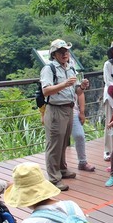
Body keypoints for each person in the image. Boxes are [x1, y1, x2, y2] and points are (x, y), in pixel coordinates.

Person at [40, 39, 90, 191]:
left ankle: (62, 169)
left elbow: (76, 91)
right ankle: (54, 178)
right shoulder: (49, 69)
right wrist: (65, 84)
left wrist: (81, 86)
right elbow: (46, 91)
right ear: (54, 54)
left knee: (63, 142)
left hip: (69, 109)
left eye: (66, 51)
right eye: (61, 52)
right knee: (54, 144)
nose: (65, 54)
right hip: (55, 109)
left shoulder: (70, 68)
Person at [72, 92, 96, 172]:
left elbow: (80, 92)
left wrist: (82, 112)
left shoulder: (73, 79)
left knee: (79, 135)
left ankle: (82, 162)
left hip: (74, 111)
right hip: (58, 110)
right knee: (59, 139)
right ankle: (58, 166)